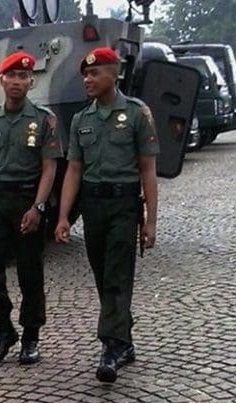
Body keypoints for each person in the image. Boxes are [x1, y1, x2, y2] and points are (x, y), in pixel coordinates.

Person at [54, 47, 159, 384]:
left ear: (113, 75)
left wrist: (151, 220)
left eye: (95, 73)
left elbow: (148, 168)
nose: (88, 79)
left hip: (124, 206)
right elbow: (73, 169)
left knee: (116, 275)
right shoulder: (82, 121)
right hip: (93, 206)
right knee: (103, 276)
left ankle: (110, 349)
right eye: (85, 74)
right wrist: (64, 216)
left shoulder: (137, 113)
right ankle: (124, 339)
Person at [0, 51, 62, 365]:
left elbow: (50, 166)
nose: (17, 82)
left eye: (24, 77)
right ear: (1, 80)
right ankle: (4, 330)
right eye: (12, 76)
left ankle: (31, 336)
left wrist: (38, 207)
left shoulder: (43, 118)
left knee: (30, 272)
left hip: (28, 199)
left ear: (31, 81)